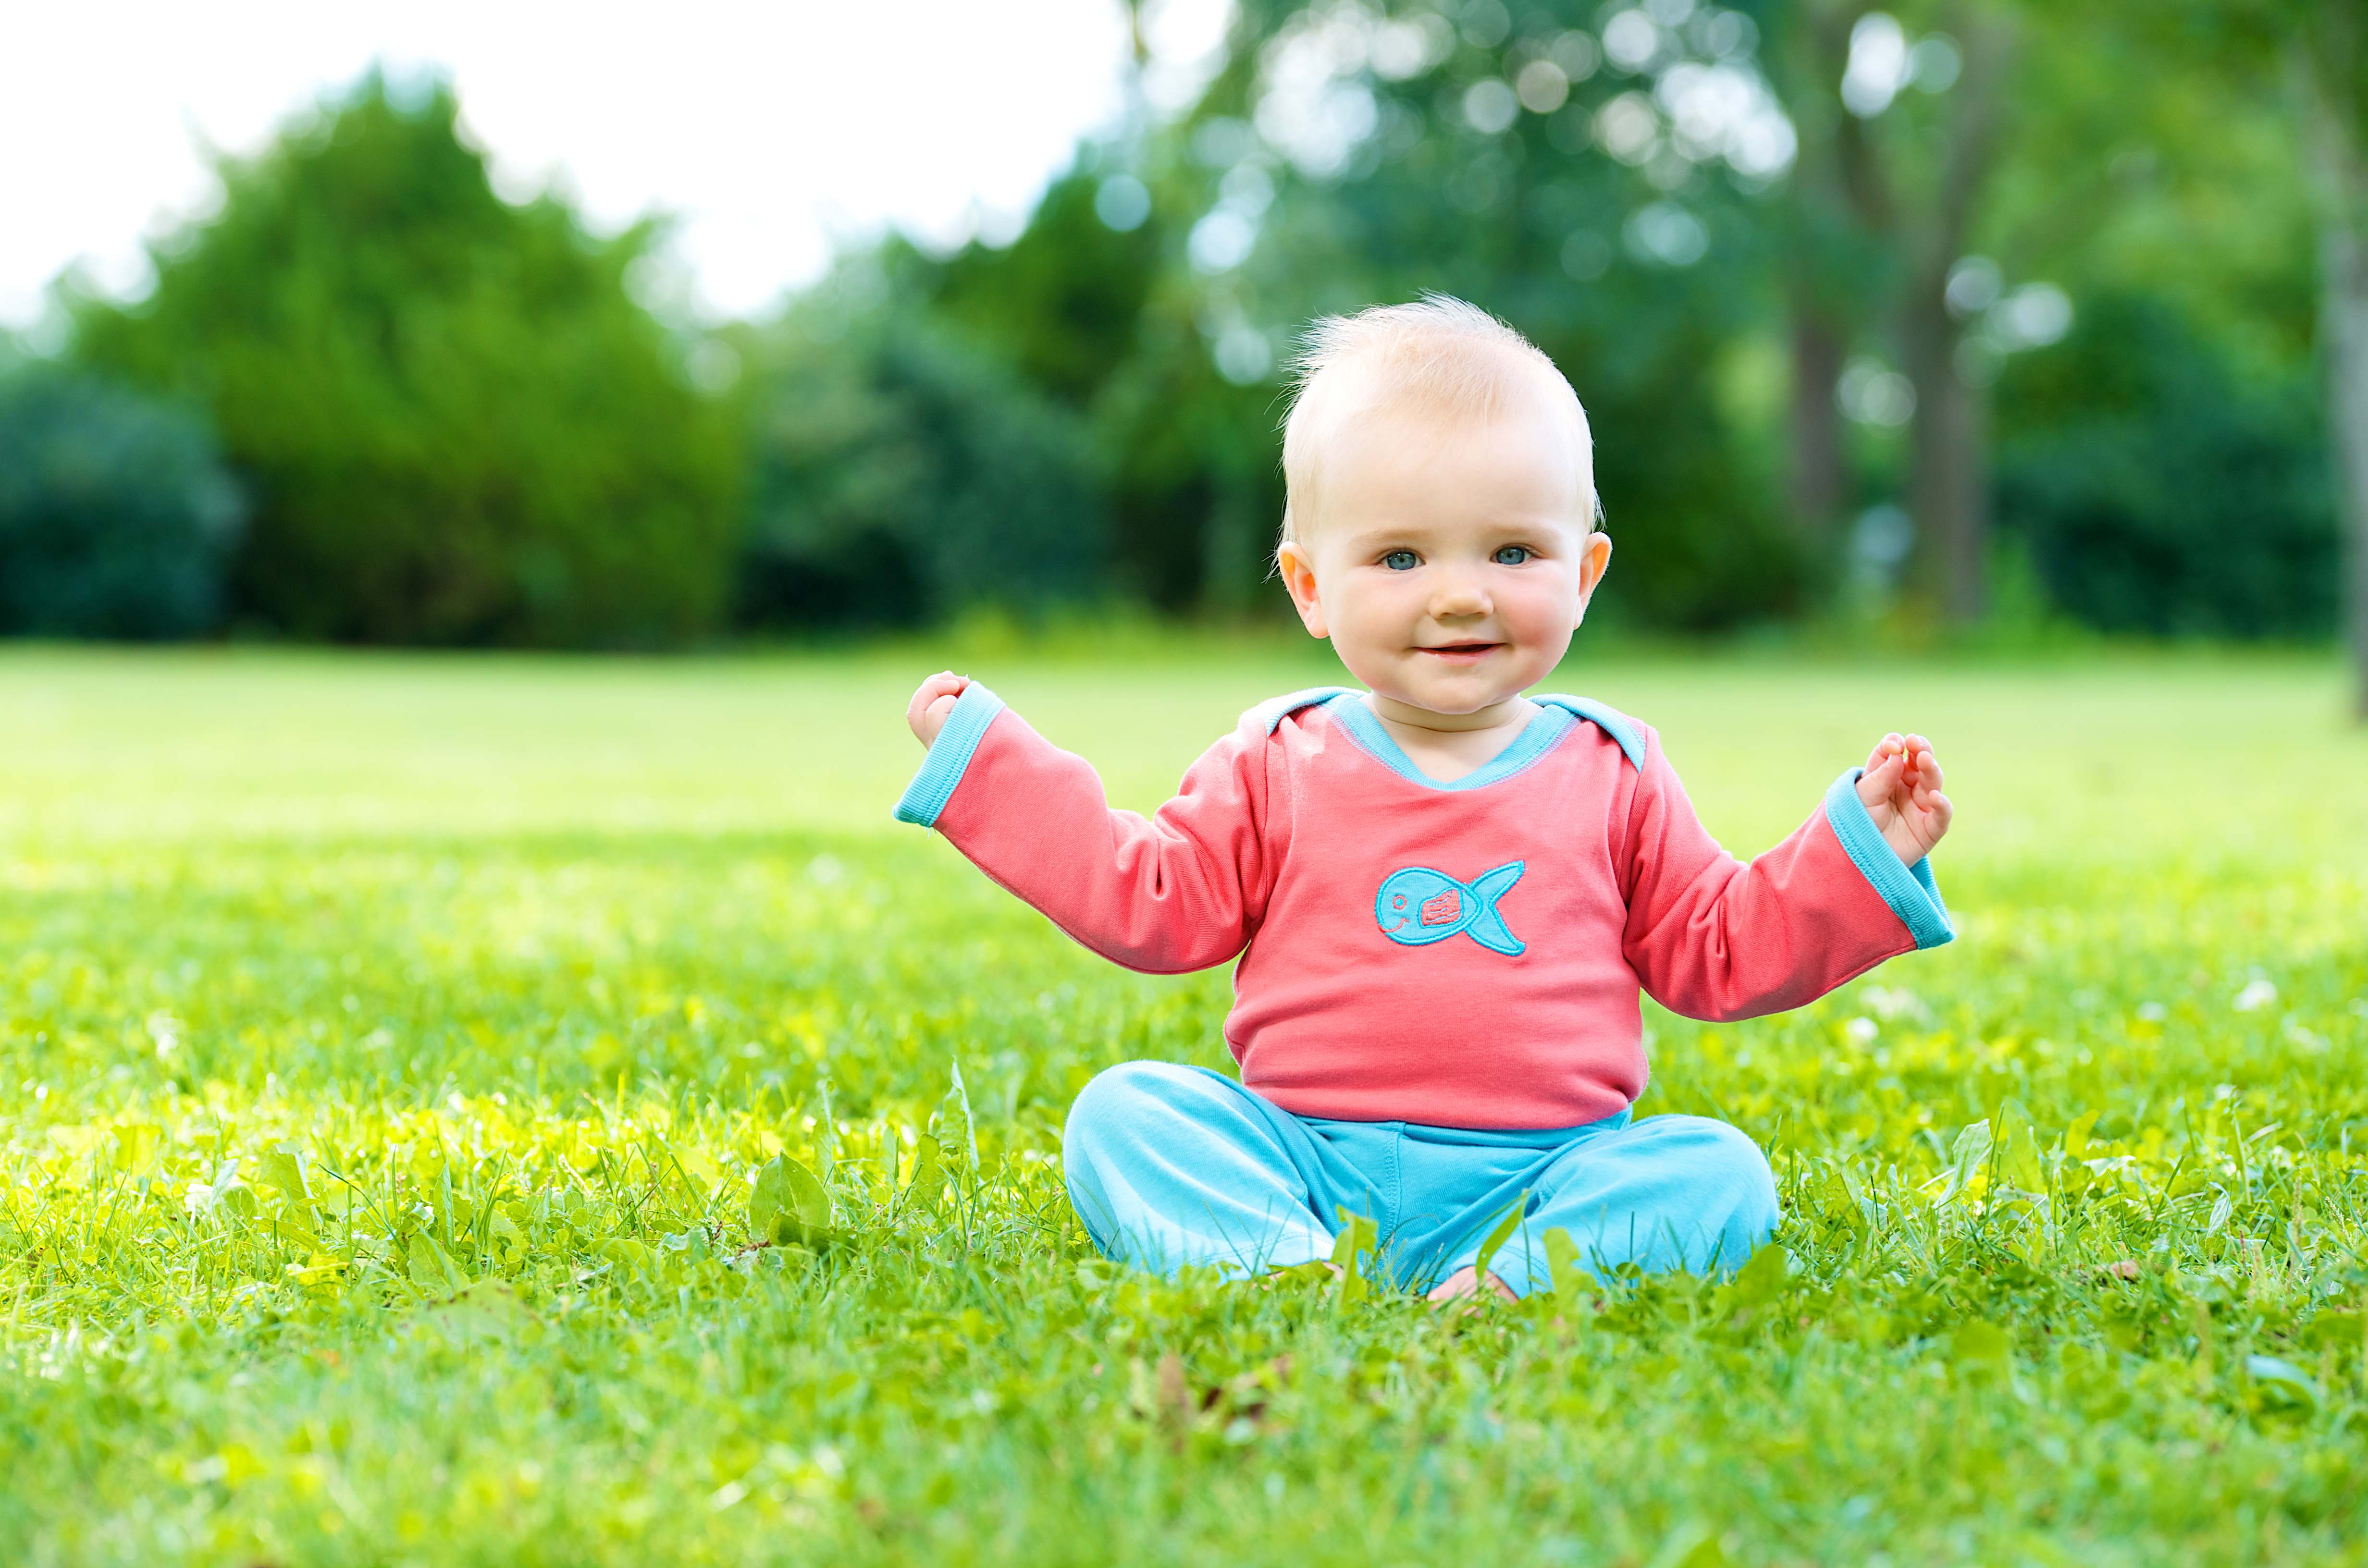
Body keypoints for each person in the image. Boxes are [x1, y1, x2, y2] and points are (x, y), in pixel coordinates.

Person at [893, 296, 1955, 1301]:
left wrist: (1858, 850)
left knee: (1716, 1172)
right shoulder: (1278, 758)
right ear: (1311, 587)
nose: (1459, 593)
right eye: (1400, 556)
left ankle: (1512, 1285)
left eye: (1511, 551)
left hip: (1544, 1183)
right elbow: (1151, 897)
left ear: (1582, 575)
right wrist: (994, 771)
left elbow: (1720, 946)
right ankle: (1281, 1270)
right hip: (1302, 1160)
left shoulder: (1614, 769)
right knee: (1124, 1114)